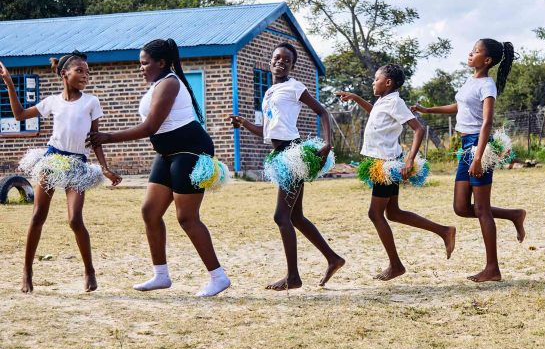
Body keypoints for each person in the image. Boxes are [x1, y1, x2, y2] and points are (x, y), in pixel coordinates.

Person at [87, 39, 230, 297]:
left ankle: (218, 277)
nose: (140, 68)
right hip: (166, 153)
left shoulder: (170, 83)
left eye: (145, 63)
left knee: (187, 217)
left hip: (190, 151)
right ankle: (161, 275)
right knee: (150, 211)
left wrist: (108, 137)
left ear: (161, 63)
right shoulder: (157, 84)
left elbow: (150, 127)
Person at [0, 54, 121, 293]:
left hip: (77, 164)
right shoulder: (52, 102)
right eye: (80, 71)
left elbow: (95, 141)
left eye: (88, 72)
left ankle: (89, 269)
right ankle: (27, 270)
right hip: (52, 160)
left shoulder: (91, 102)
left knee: (75, 219)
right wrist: (10, 84)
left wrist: (105, 168)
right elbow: (20, 115)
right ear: (65, 74)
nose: (86, 75)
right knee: (37, 216)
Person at [229, 43, 345, 290]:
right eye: (276, 58)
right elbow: (268, 131)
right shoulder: (270, 92)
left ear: (293, 65)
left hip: (292, 154)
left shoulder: (295, 88)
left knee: (281, 216)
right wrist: (244, 122)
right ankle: (333, 259)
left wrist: (327, 144)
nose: (280, 62)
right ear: (270, 62)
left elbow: (322, 112)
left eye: (286, 60)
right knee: (295, 216)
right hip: (279, 153)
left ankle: (293, 277)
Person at [411, 39, 526, 282]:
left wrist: (479, 156)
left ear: (487, 60)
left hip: (478, 145)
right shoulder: (470, 81)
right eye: (471, 49)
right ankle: (514, 215)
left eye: (476, 51)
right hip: (465, 146)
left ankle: (492, 268)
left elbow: (487, 122)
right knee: (461, 207)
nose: (470, 53)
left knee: (482, 208)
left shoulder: (487, 85)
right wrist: (428, 110)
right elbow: (459, 105)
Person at [336, 64, 456, 281]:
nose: (373, 82)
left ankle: (396, 265)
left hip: (386, 165)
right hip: (379, 164)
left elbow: (418, 129)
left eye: (376, 79)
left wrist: (409, 159)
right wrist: (355, 97)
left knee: (375, 214)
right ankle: (444, 231)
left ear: (388, 82)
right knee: (393, 213)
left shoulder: (396, 102)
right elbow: (375, 112)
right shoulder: (384, 102)